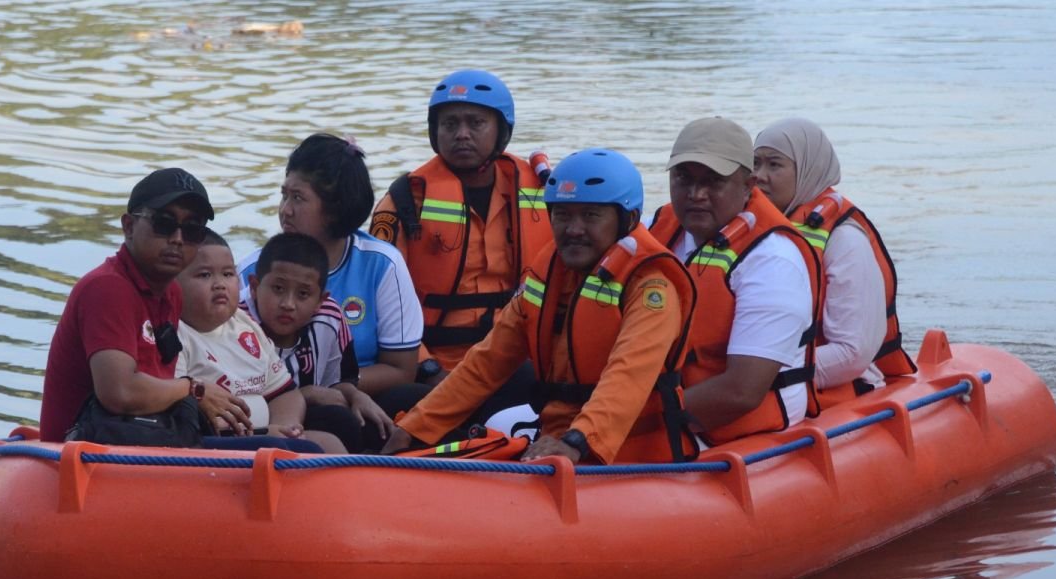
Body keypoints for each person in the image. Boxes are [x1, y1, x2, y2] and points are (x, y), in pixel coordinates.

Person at [382, 148, 697, 464]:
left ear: (628, 219)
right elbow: (486, 363)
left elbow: (628, 377)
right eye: (562, 215)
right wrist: (413, 429)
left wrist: (576, 442)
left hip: (631, 455)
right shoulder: (548, 273)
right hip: (557, 438)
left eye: (590, 215)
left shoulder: (652, 287)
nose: (573, 229)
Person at [39, 167, 318, 453]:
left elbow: (159, 387)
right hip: (88, 448)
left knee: (318, 432)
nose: (177, 238)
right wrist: (195, 389)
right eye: (164, 223)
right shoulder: (108, 288)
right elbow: (119, 393)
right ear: (128, 227)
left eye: (192, 229)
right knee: (301, 454)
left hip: (145, 433)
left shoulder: (170, 291)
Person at [369, 70, 552, 424]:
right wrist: (429, 368)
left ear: (502, 130)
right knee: (400, 401)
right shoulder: (405, 200)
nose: (462, 134)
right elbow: (379, 299)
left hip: (512, 358)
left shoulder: (543, 189)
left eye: (476, 123)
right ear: (434, 133)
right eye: (449, 124)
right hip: (432, 364)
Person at [649, 117, 822, 451]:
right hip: (655, 399)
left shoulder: (772, 261)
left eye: (713, 181)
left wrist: (617, 422)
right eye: (683, 178)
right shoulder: (657, 230)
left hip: (732, 427)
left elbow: (740, 392)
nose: (696, 194)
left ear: (748, 186)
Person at [238, 133, 428, 416]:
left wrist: (339, 389)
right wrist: (306, 393)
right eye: (284, 195)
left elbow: (400, 369)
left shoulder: (382, 264)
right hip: (275, 403)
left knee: (420, 398)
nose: (284, 210)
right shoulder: (251, 271)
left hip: (362, 395)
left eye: (298, 198)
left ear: (335, 210)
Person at [754, 118, 915, 407]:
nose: (759, 176)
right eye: (755, 164)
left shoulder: (845, 241)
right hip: (764, 379)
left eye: (774, 165)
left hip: (838, 389)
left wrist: (758, 375)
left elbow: (852, 353)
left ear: (807, 170)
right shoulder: (752, 231)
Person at [175, 229, 345, 453]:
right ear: (172, 284)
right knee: (286, 448)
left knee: (331, 441)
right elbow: (180, 410)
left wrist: (287, 427)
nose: (219, 284)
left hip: (267, 435)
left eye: (227, 274)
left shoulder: (243, 323)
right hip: (214, 445)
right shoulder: (177, 333)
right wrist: (264, 435)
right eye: (205, 275)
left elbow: (284, 393)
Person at [244, 232, 395, 452]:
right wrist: (307, 394)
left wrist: (355, 395)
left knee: (378, 419)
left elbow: (337, 382)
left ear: (320, 301)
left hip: (304, 418)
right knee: (339, 421)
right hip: (255, 426)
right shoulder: (236, 324)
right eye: (278, 289)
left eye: (303, 294)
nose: (288, 304)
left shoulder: (330, 316)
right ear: (254, 287)